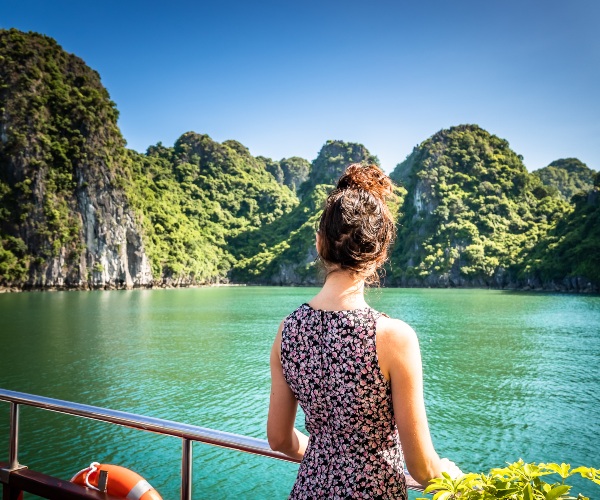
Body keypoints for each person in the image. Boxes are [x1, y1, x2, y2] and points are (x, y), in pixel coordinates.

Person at [267, 163, 461, 499]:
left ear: (319, 243)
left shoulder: (288, 330)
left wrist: (329, 457)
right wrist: (455, 478)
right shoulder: (393, 337)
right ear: (381, 253)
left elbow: (280, 439)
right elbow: (421, 467)